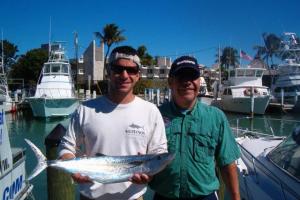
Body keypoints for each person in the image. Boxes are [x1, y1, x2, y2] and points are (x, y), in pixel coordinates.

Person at [58, 45, 167, 200]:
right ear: (108, 72)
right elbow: (66, 147)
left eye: (131, 70)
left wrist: (150, 175)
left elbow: (159, 153)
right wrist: (72, 168)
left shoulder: (151, 111)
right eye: (118, 69)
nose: (124, 75)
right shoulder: (85, 109)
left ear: (138, 75)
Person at [149, 56, 241, 200]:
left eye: (192, 77)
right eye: (181, 77)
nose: (187, 82)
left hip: (205, 196)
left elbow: (227, 163)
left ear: (199, 81)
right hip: (164, 196)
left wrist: (236, 197)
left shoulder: (216, 117)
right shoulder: (154, 115)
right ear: (170, 82)